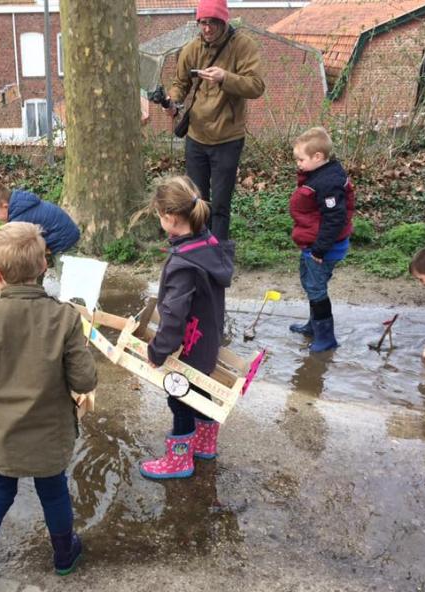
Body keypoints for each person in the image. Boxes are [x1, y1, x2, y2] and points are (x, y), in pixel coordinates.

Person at [0, 221, 97, 592]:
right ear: (44, 267)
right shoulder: (64, 317)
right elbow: (84, 380)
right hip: (49, 436)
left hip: (1, 438)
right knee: (54, 491)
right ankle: (65, 556)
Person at [140, 176, 234, 480]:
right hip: (207, 340)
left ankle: (179, 460)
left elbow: (173, 315)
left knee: (178, 396)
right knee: (199, 390)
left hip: (189, 346)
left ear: (169, 218)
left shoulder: (183, 263)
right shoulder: (208, 244)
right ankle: (205, 444)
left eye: (158, 215)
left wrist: (158, 350)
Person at [163, 0, 264, 242]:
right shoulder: (192, 49)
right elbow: (180, 84)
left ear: (223, 21)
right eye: (203, 23)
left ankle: (216, 253)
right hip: (196, 136)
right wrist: (172, 101)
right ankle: (197, 247)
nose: (207, 29)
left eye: (212, 23)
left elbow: (256, 86)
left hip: (227, 137)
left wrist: (225, 77)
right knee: (196, 200)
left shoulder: (243, 46)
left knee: (220, 203)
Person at [287, 126, 355, 352]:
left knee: (317, 290)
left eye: (301, 159)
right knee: (309, 282)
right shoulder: (317, 174)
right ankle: (313, 325)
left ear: (318, 157)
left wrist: (319, 250)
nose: (298, 163)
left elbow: (335, 219)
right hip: (311, 243)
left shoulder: (328, 182)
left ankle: (326, 338)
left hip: (323, 248)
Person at [0, 181, 80, 257]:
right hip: (61, 234)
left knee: (65, 273)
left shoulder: (20, 219)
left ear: (5, 206)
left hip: (63, 241)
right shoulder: (23, 204)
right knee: (36, 258)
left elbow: (17, 245)